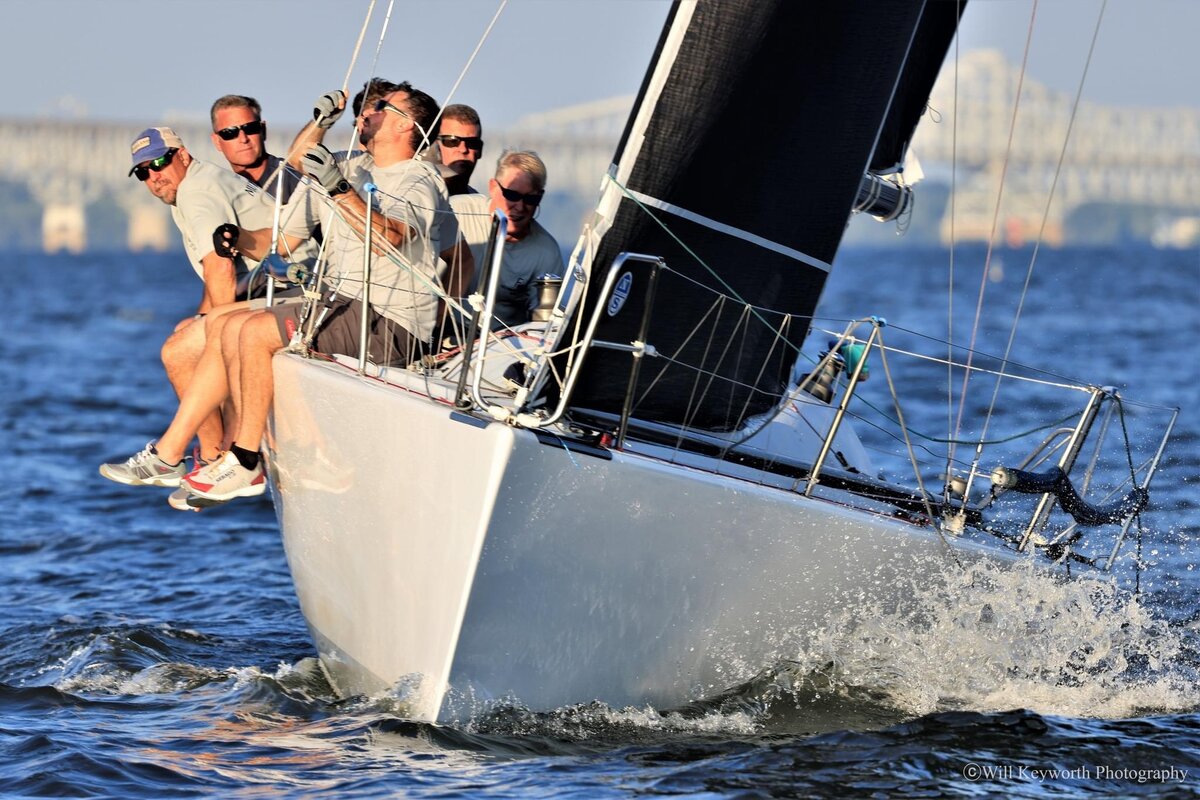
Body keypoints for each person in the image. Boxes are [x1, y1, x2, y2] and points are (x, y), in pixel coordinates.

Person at [102, 84, 472, 506]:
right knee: (224, 323)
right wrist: (238, 237)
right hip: (342, 303)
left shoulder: (415, 181)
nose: (365, 112)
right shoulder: (352, 168)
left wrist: (338, 190)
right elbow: (280, 242)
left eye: (380, 108)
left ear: (406, 125)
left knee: (255, 333)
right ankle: (185, 456)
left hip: (389, 318)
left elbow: (390, 238)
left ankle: (243, 460)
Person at [98, 126, 280, 485]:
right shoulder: (195, 185)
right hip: (268, 288)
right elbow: (221, 273)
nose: (154, 177)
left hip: (286, 290)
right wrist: (203, 318)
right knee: (186, 334)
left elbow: (220, 265)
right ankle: (211, 461)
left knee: (180, 351)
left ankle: (190, 456)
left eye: (160, 162)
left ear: (182, 155)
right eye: (143, 172)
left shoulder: (197, 193)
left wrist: (217, 332)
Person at [453, 150, 564, 330]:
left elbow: (545, 324)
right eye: (512, 195)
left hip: (501, 348)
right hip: (443, 334)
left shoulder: (547, 252)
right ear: (493, 188)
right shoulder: (455, 212)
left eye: (531, 198)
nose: (520, 207)